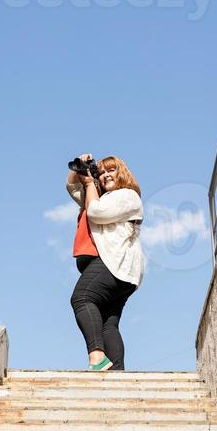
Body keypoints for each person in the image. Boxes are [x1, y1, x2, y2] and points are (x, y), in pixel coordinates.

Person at [67, 154, 145, 371]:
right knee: (107, 323)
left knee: (82, 298)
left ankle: (97, 357)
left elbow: (96, 212)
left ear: (122, 173)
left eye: (110, 170)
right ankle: (117, 374)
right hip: (119, 269)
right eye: (100, 173)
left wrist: (90, 183)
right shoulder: (98, 196)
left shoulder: (128, 195)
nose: (104, 176)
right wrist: (79, 166)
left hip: (114, 263)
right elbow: (72, 186)